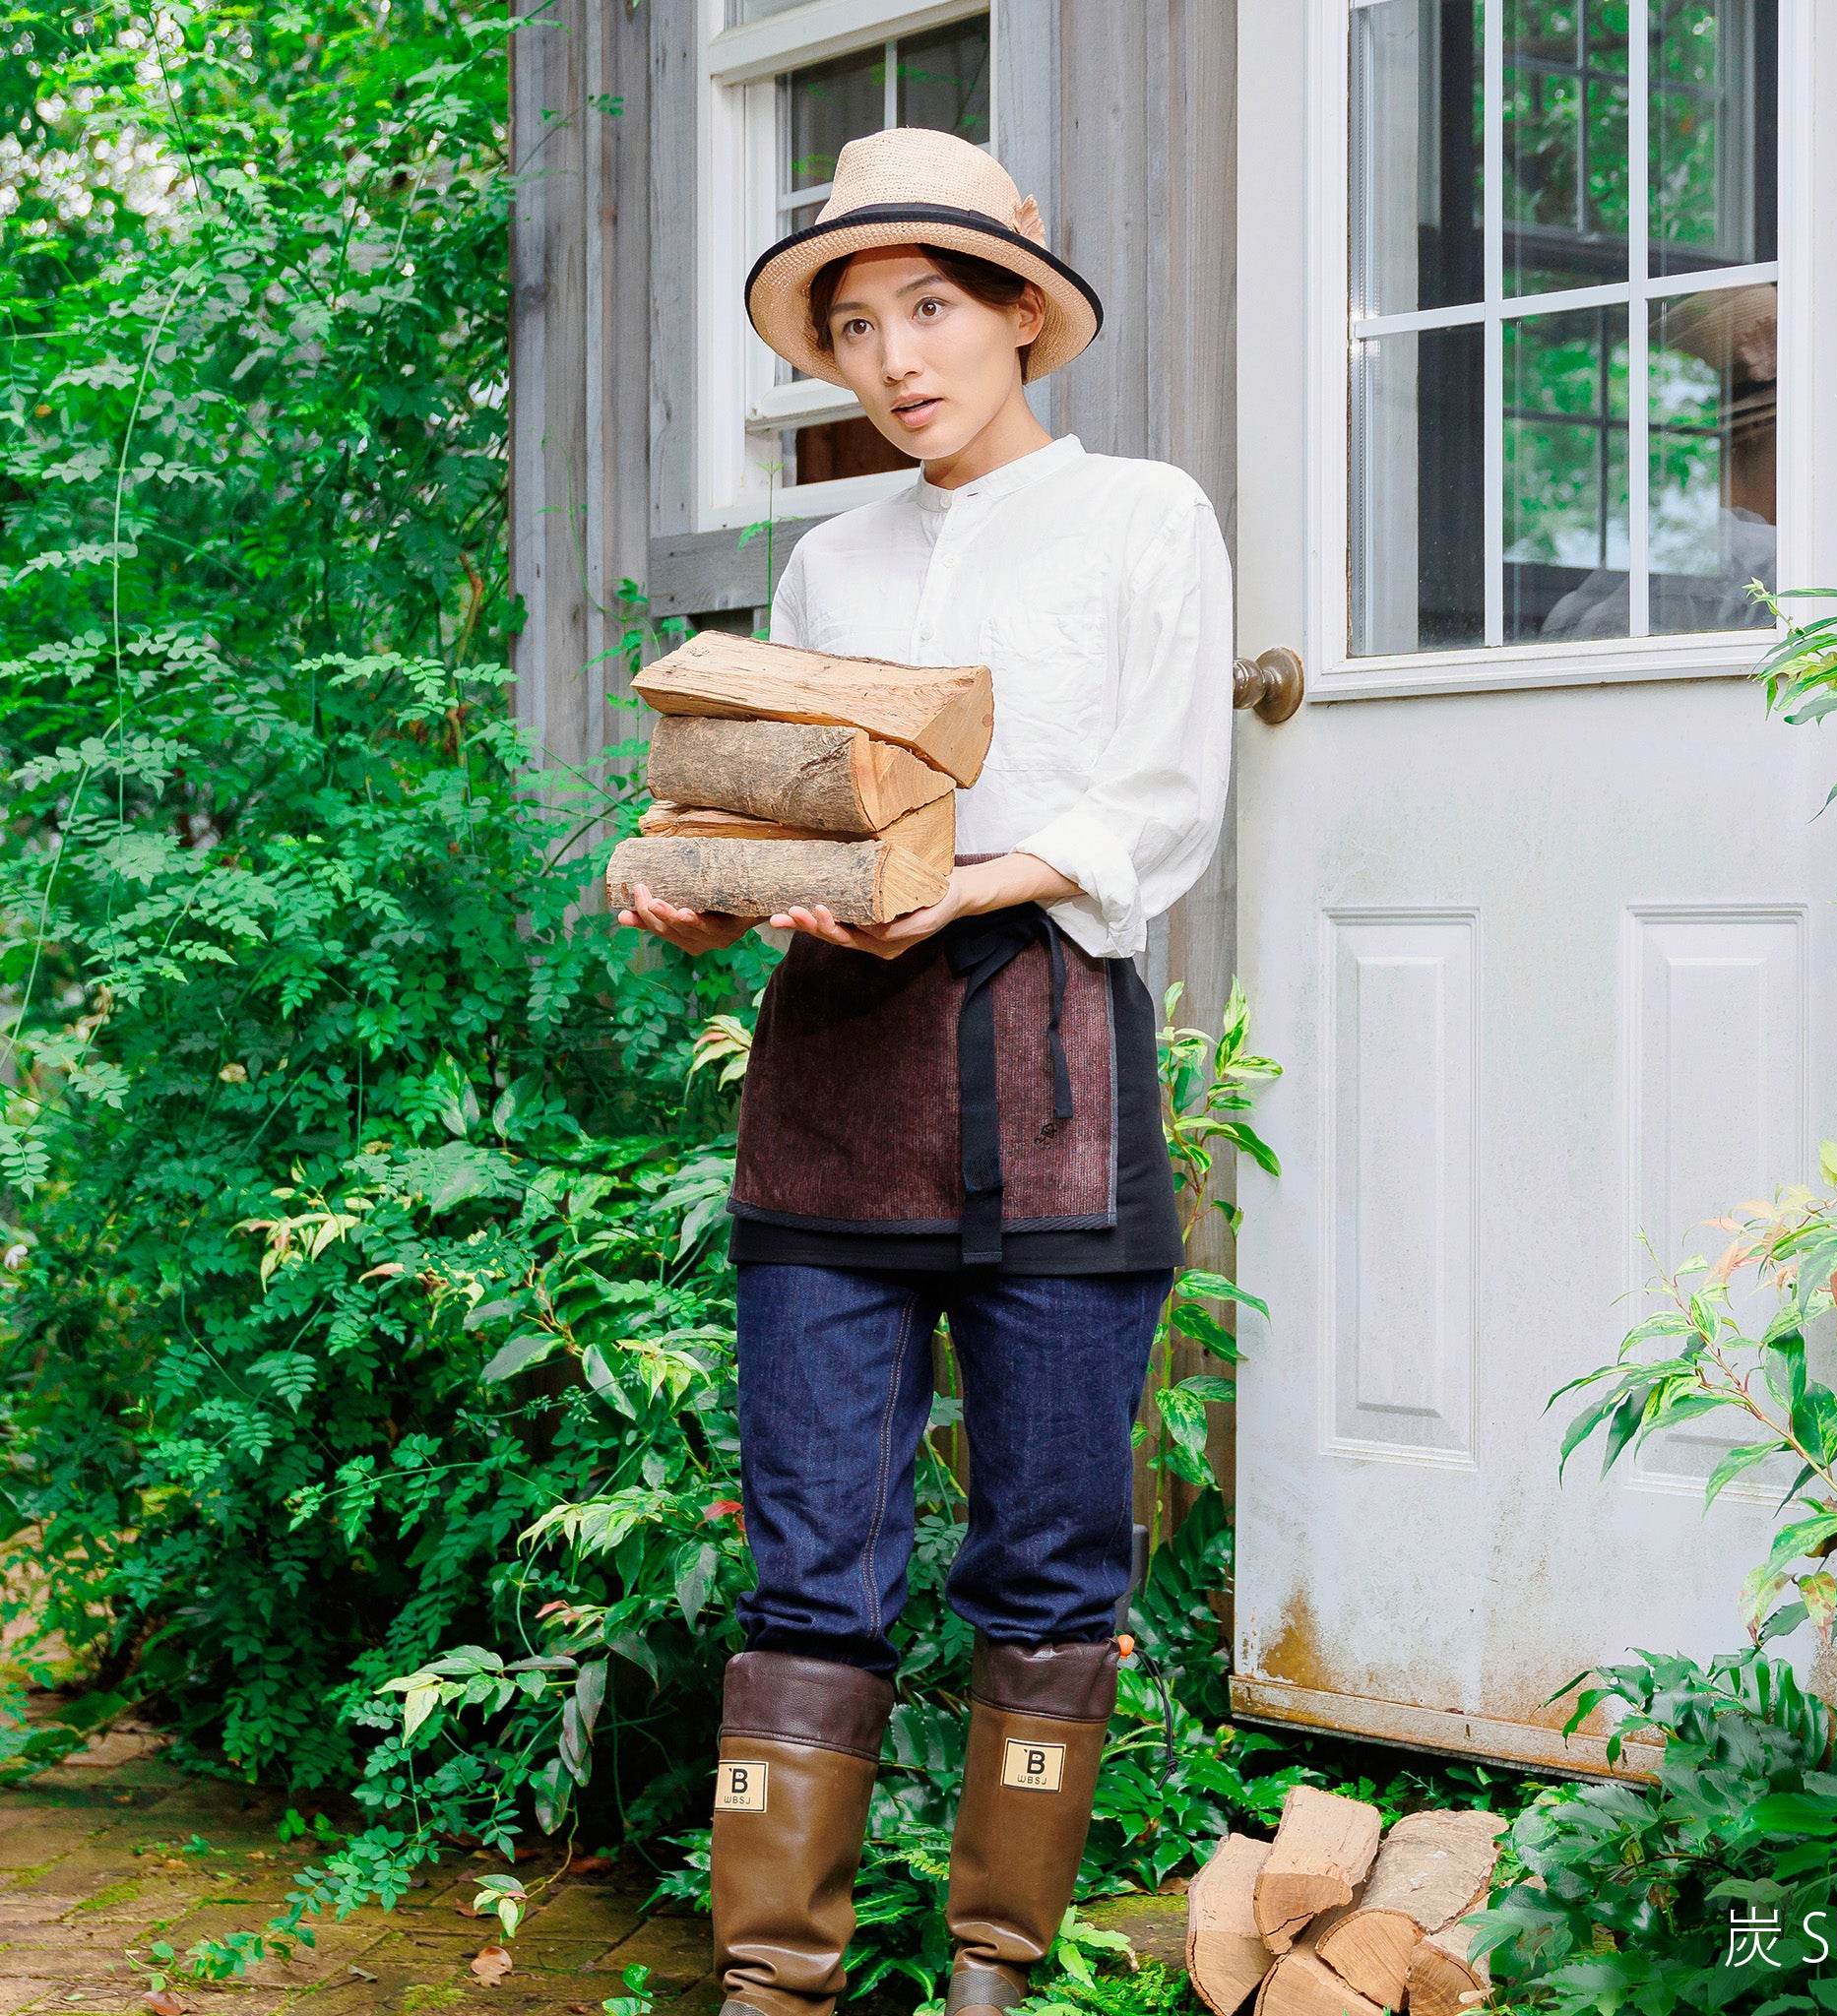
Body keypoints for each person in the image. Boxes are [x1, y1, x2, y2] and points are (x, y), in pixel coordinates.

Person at [618, 127, 1233, 2016]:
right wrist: (700, 888)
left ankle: (989, 1972)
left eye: (936, 307)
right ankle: (774, 1980)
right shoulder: (828, 557)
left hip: (1050, 1079)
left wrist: (978, 879)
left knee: (1050, 1560)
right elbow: (783, 803)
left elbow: (1163, 798)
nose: (898, 359)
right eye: (859, 323)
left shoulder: (1146, 517)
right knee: (814, 1559)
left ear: (1022, 311)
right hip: (831, 1094)